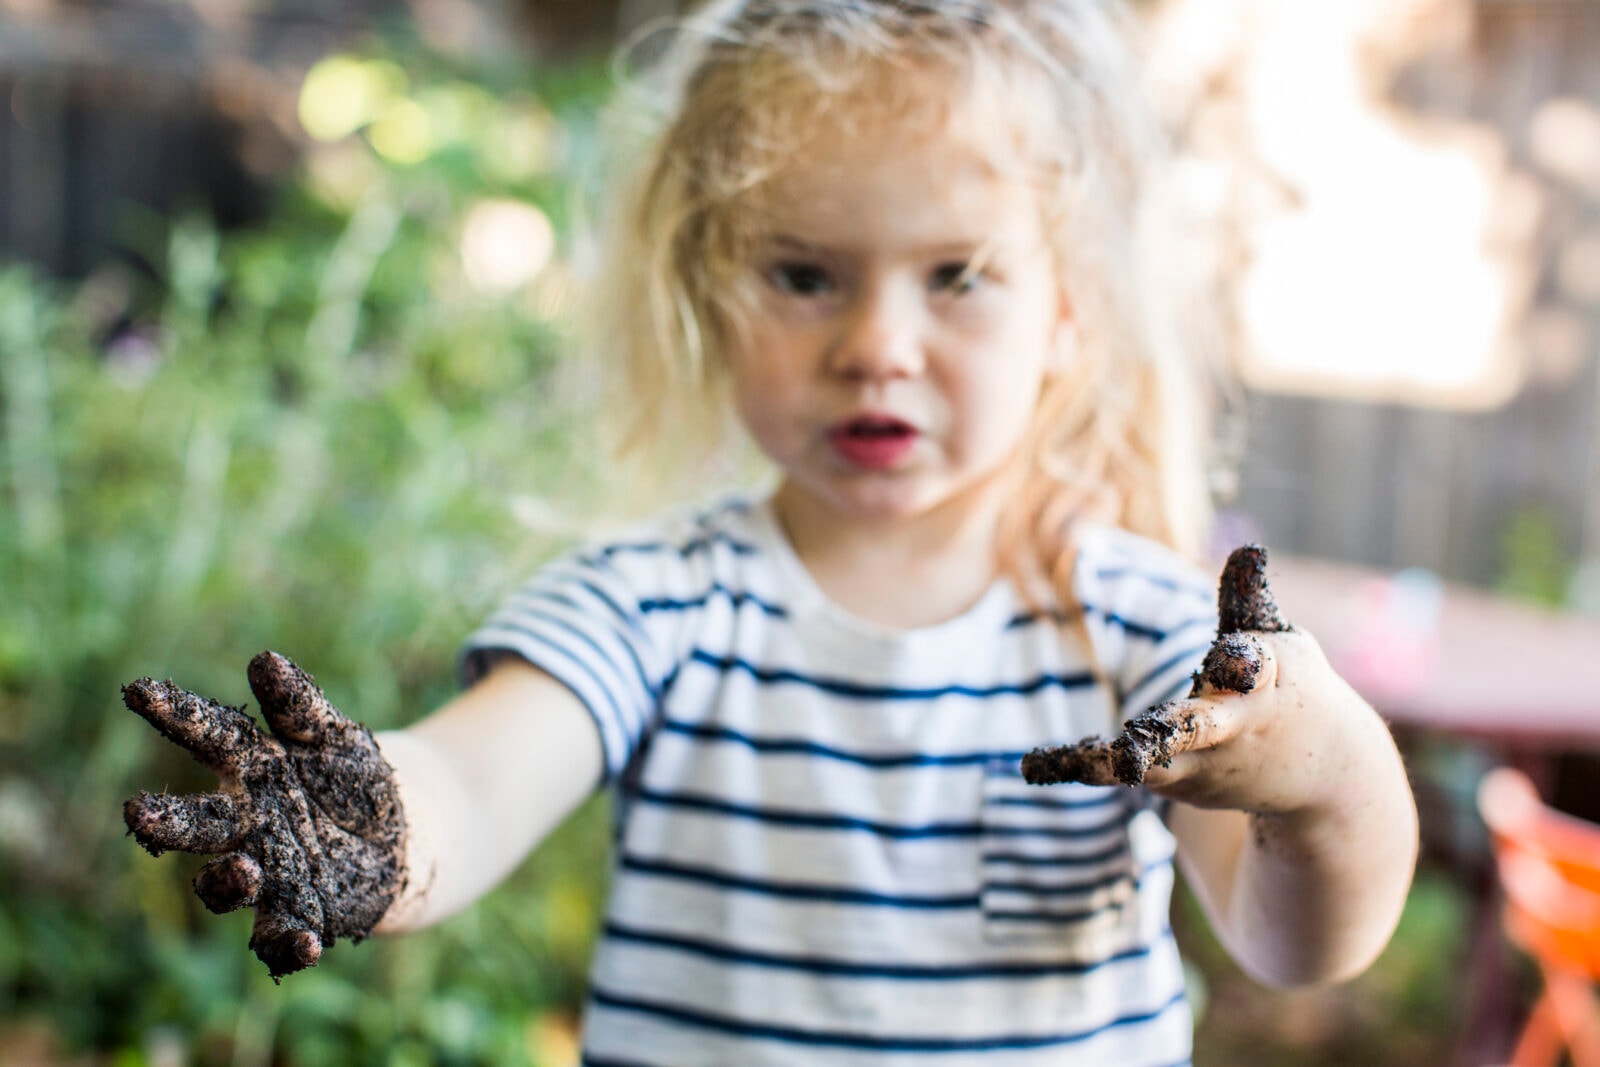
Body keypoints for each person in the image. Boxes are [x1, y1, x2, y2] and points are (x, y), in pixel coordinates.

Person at [121, 1, 1420, 1063]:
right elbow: (475, 778)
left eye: (957, 277)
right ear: (712, 290)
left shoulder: (1140, 636)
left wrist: (1318, 778)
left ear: (1069, 311)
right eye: (804, 275)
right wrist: (382, 826)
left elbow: (1294, 944)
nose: (877, 347)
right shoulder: (656, 604)